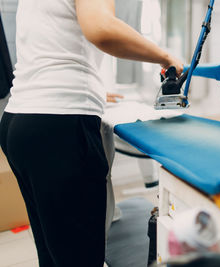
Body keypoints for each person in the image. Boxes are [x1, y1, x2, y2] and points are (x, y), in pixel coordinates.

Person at [0, 0, 183, 266]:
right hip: (59, 126)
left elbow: (52, 41)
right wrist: (165, 58)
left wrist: (89, 86)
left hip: (21, 121)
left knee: (54, 255)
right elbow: (101, 29)